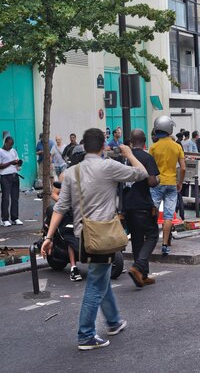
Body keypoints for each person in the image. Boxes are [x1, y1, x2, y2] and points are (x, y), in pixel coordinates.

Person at [41, 128, 148, 350]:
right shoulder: (109, 167)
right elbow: (142, 173)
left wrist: (49, 236)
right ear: (103, 146)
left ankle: (113, 321)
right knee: (96, 283)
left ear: (83, 145)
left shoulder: (72, 172)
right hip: (103, 236)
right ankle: (86, 334)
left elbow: (60, 207)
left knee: (102, 276)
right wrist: (128, 154)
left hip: (83, 235)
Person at [123, 129, 160, 288]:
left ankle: (142, 275)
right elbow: (152, 182)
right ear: (145, 142)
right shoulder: (146, 157)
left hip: (127, 204)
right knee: (152, 236)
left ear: (130, 142)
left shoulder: (124, 159)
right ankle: (138, 267)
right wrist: (157, 180)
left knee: (137, 239)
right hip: (142, 204)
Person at [149, 116, 185, 256]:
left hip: (157, 183)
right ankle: (165, 244)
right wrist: (180, 182)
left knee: (153, 210)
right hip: (171, 183)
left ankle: (150, 239)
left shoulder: (153, 147)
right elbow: (182, 168)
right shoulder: (176, 146)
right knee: (169, 216)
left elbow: (149, 167)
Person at [51, 169, 81, 282]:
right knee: (70, 234)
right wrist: (65, 203)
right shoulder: (64, 175)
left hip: (84, 210)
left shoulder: (89, 172)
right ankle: (73, 268)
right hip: (68, 211)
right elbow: (54, 193)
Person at [0, 136, 23, 227]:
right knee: (5, 198)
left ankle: (15, 218)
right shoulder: (0, 151)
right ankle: (4, 219)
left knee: (15, 198)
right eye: (9, 145)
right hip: (5, 177)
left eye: (11, 145)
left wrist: (19, 163)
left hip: (15, 175)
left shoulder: (13, 151)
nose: (10, 147)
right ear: (5, 143)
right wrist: (11, 162)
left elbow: (16, 161)